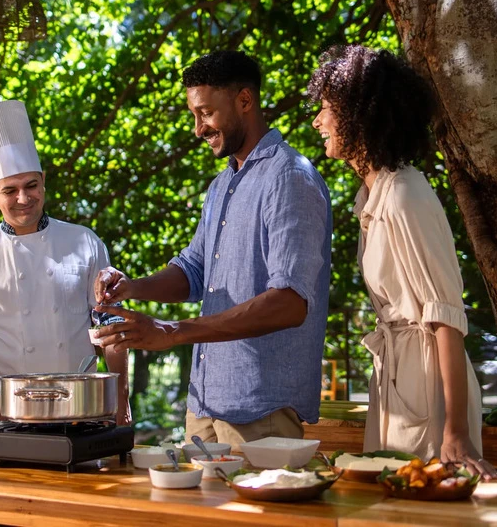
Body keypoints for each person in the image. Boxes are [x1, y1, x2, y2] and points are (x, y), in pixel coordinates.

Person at [92, 50, 332, 447]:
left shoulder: (289, 178)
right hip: (203, 407)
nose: (198, 128)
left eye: (205, 113)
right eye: (193, 115)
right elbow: (194, 271)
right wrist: (133, 286)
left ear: (244, 101)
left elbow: (290, 302)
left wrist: (171, 331)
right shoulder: (221, 185)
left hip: (261, 412)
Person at [308, 45, 497, 479]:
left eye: (326, 109)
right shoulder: (371, 197)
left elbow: (447, 315)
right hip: (394, 379)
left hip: (429, 386)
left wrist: (455, 429)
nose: (318, 121)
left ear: (360, 113)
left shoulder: (405, 193)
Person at [0, 100, 130, 428]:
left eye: (31, 186)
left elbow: (111, 326)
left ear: (43, 180)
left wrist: (120, 395)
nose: (23, 199)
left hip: (80, 407)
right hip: (6, 406)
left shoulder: (84, 242)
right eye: (9, 190)